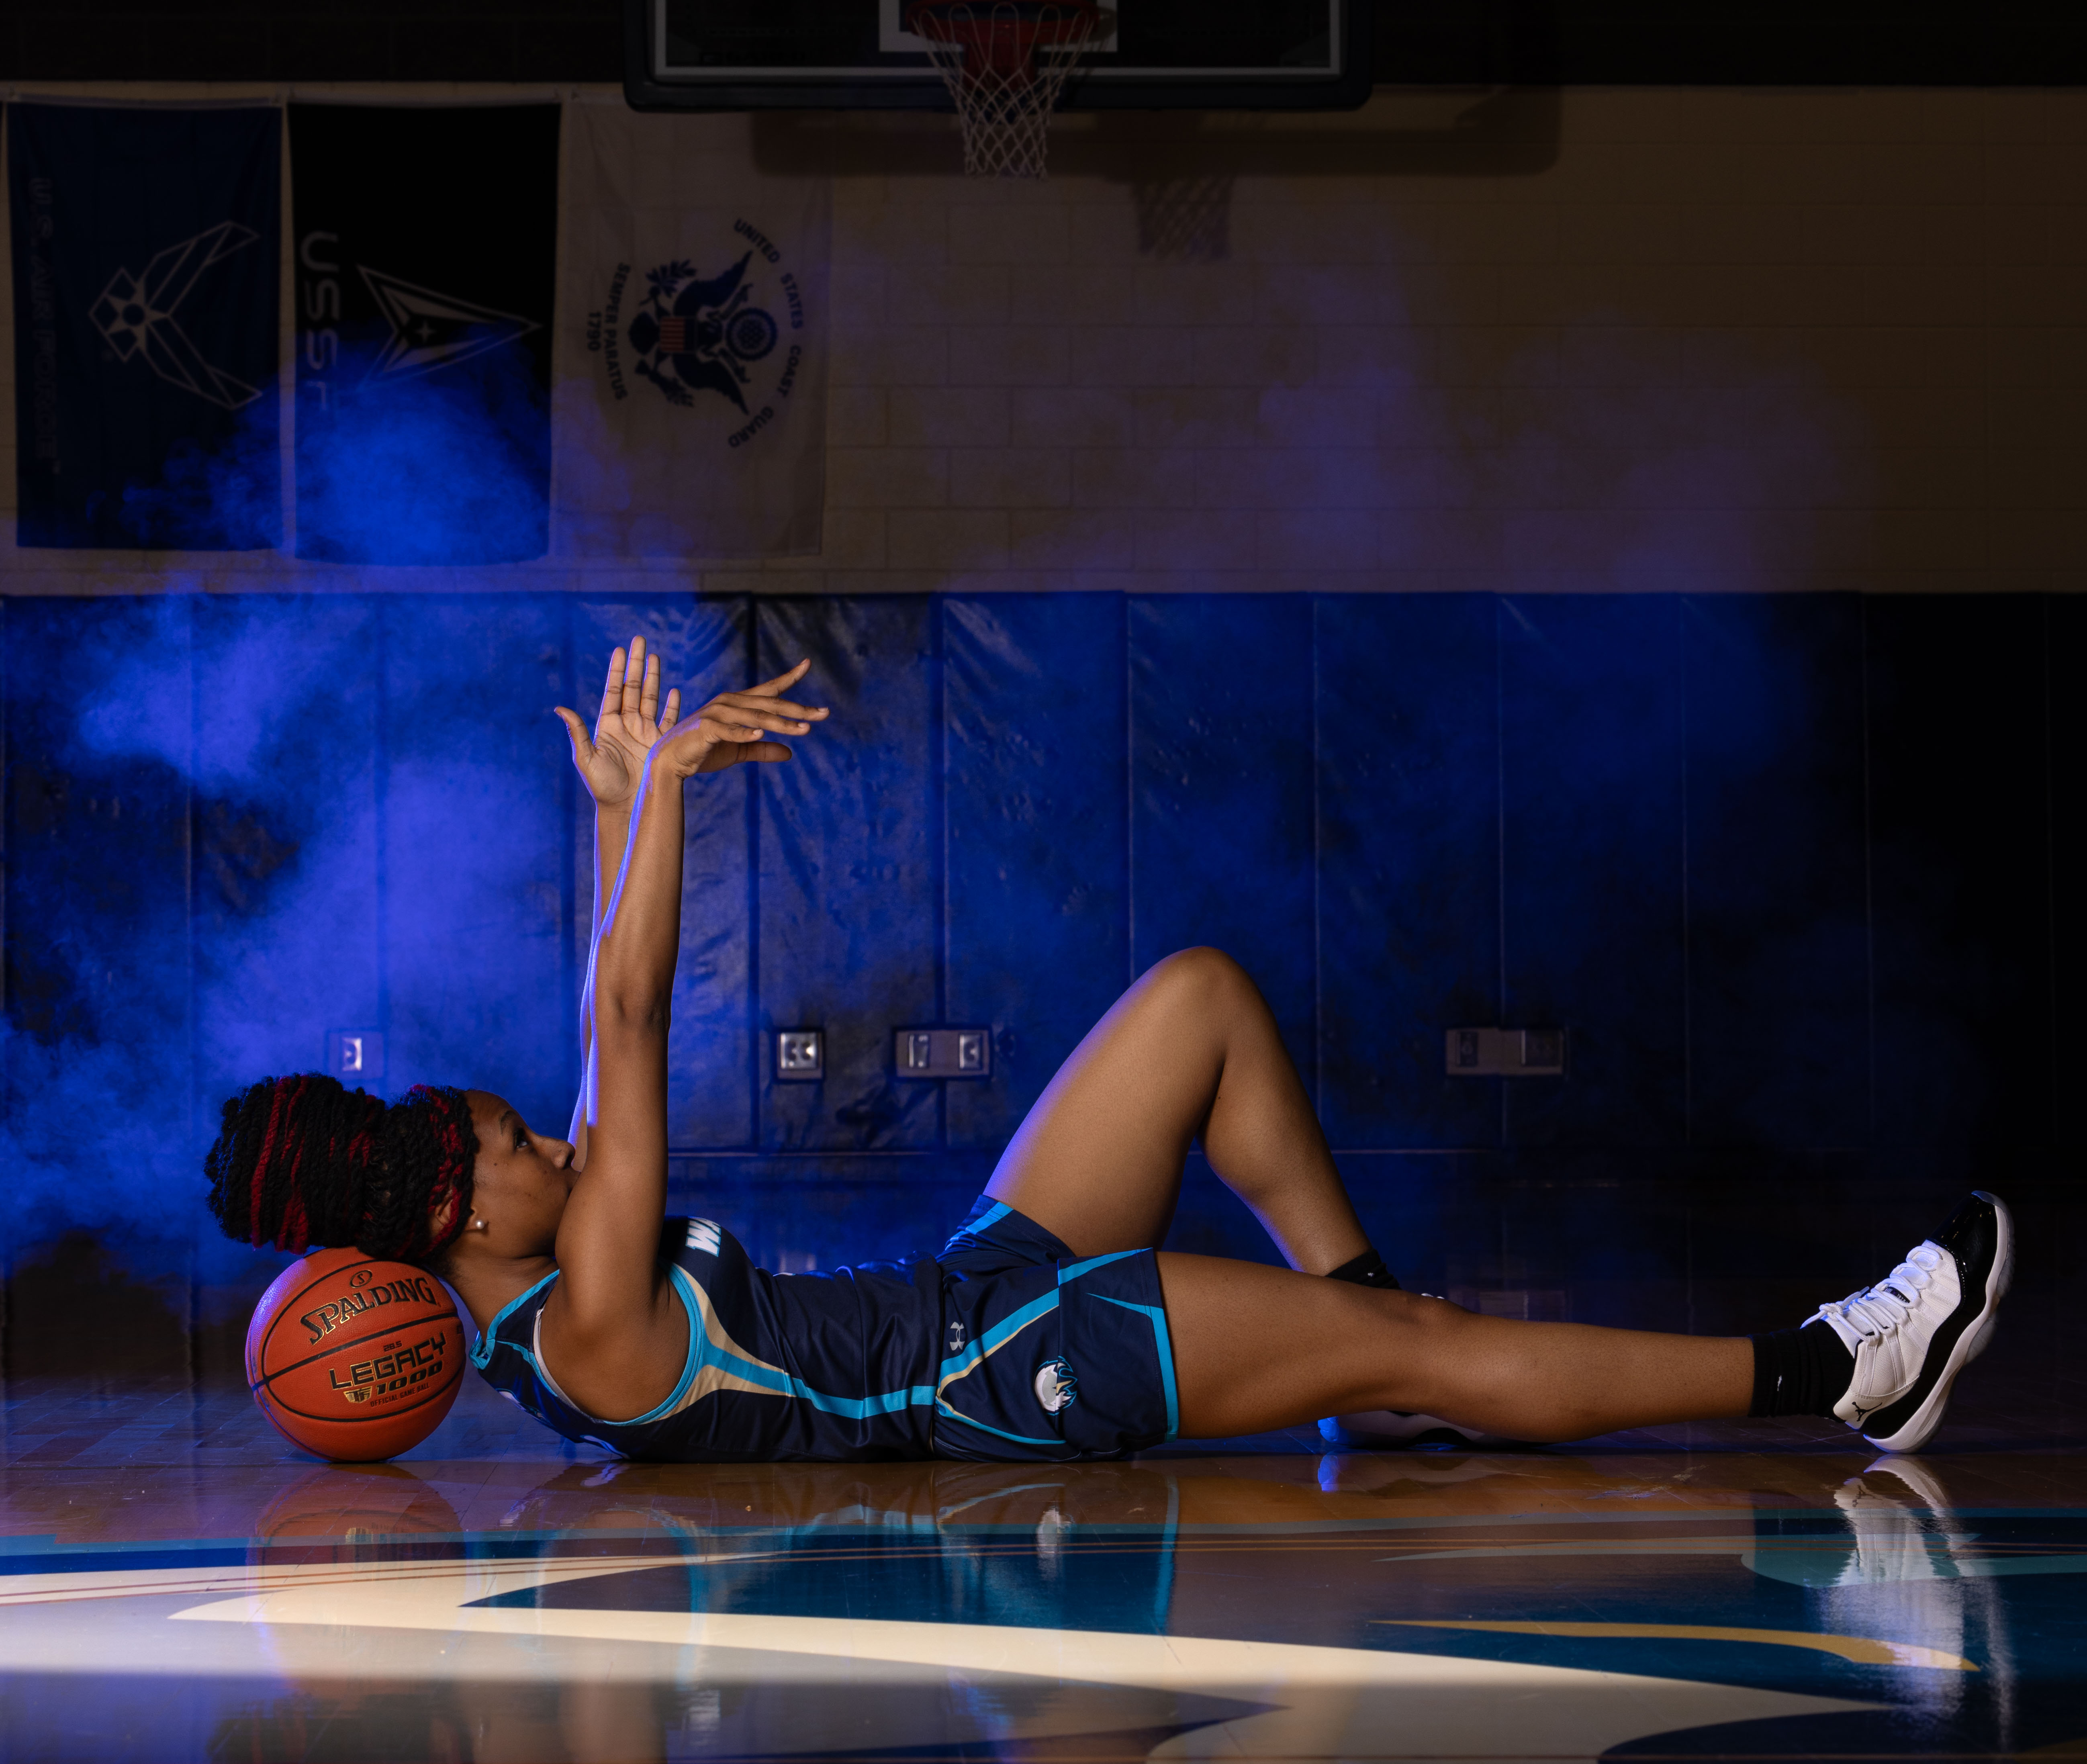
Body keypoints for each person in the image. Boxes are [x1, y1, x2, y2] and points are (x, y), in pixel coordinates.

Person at [206, 638, 2013, 1467]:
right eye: (518, 1141)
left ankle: (1363, 1365)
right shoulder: (585, 1311)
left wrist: (614, 815)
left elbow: (598, 1055)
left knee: (1199, 997)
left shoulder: (541, 1274)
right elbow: (625, 1017)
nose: (552, 1136)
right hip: (1013, 1376)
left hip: (971, 1292)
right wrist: (668, 794)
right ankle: (1833, 1373)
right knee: (1443, 1343)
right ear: (470, 1206)